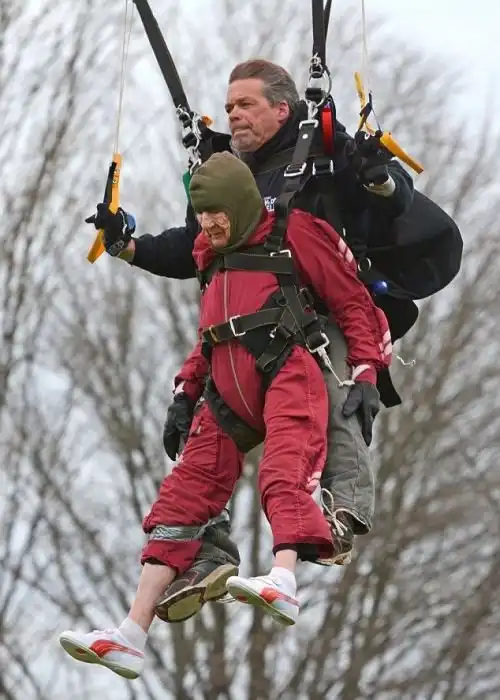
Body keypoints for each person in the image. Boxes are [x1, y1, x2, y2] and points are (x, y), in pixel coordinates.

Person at [85, 59, 412, 622]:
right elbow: (194, 252)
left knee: (329, 405)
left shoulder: (325, 153)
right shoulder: (229, 177)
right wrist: (127, 246)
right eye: (229, 106)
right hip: (247, 327)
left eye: (246, 105)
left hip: (322, 312)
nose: (234, 115)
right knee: (204, 450)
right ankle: (202, 556)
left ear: (282, 109)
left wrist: (378, 176)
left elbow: (389, 201)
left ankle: (338, 514)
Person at [60, 152, 391, 679]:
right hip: (225, 391)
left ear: (239, 204)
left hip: (288, 371)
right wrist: (184, 392)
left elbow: (353, 303)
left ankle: (283, 579)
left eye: (218, 213)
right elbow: (211, 333)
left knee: (283, 473)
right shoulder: (208, 256)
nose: (210, 223)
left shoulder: (294, 233)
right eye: (203, 214)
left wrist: (368, 372)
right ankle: (131, 633)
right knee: (181, 497)